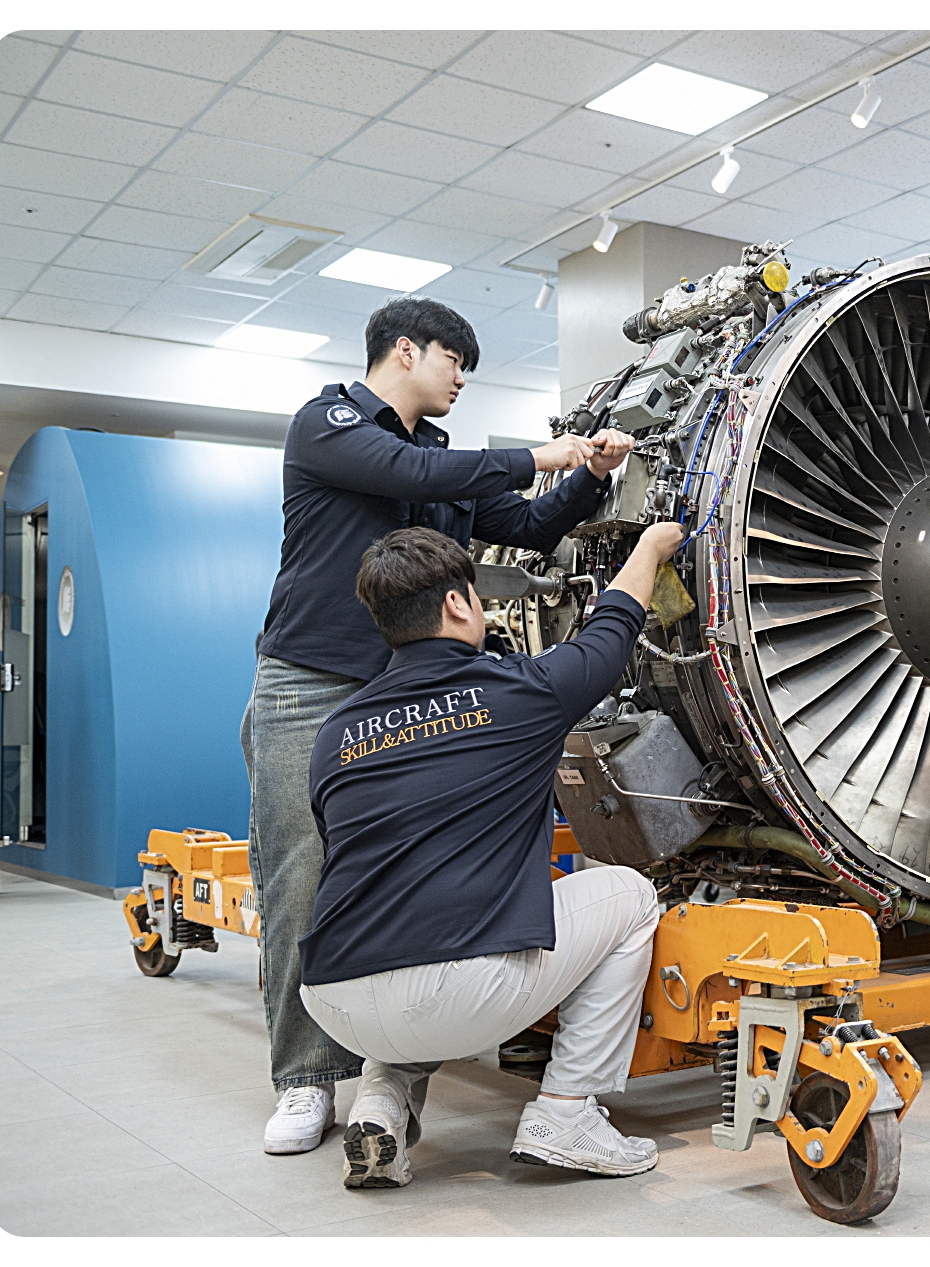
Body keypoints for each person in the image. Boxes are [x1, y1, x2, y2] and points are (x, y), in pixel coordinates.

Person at [245, 295, 635, 1155]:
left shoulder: (440, 463)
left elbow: (525, 525)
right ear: (406, 350)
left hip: (411, 693)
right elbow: (411, 474)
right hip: (310, 681)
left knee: (420, 882)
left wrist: (588, 477)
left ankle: (387, 1082)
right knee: (300, 874)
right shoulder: (330, 424)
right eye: (454, 360)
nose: (461, 378)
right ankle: (305, 1079)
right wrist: (539, 454)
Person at [298, 520, 683, 1188]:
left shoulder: (336, 731)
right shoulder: (521, 692)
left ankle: (381, 1106)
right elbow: (611, 631)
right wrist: (650, 547)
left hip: (333, 997)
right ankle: (566, 1112)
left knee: (401, 933)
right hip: (451, 998)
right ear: (456, 604)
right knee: (629, 895)